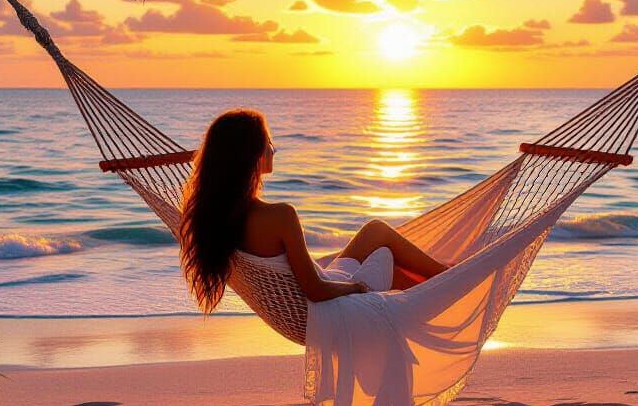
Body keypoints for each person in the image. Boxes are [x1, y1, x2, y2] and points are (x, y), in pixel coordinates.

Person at [179, 108, 448, 313]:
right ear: (252, 154)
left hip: (314, 294)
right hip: (329, 305)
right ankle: (448, 280)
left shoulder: (216, 219)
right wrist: (356, 287)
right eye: (269, 142)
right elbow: (315, 290)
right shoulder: (281, 216)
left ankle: (440, 286)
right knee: (384, 254)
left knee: (375, 231)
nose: (273, 149)